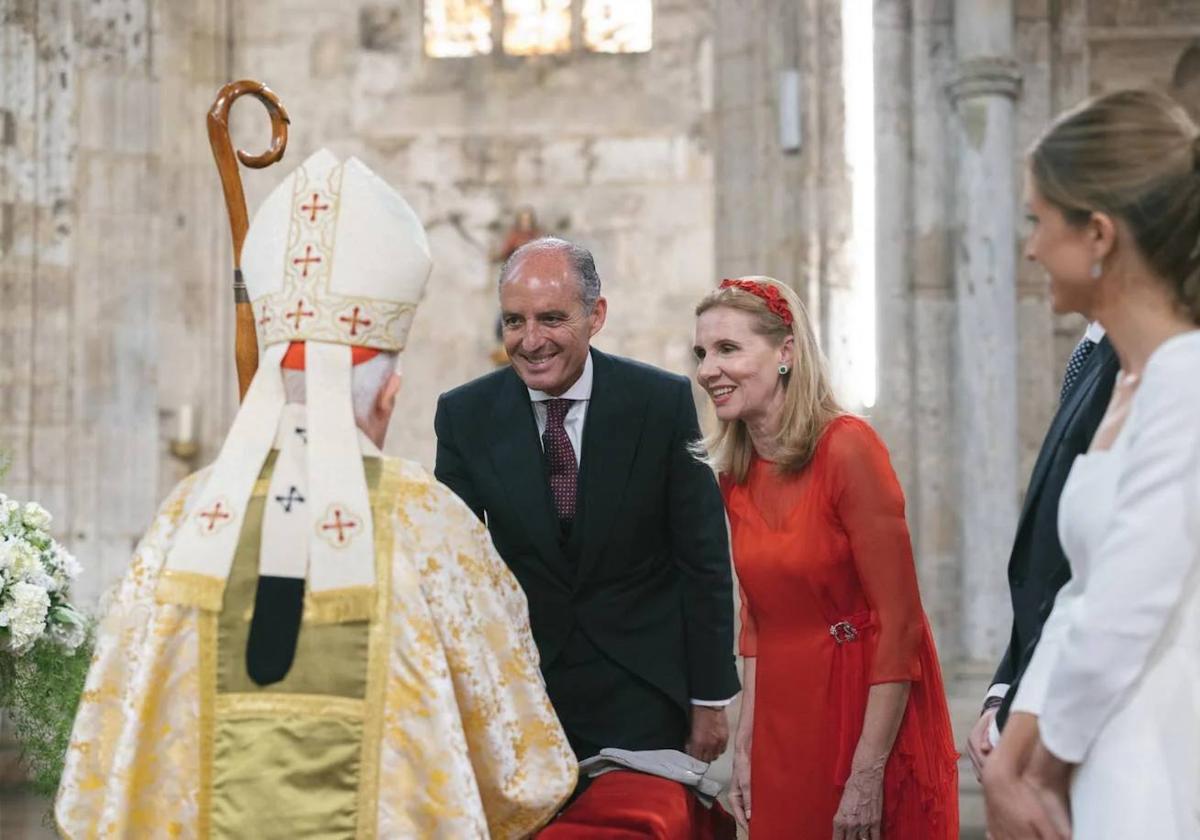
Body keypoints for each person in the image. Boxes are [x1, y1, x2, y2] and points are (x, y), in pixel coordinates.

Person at [55, 150, 576, 838]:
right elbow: (519, 766)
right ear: (389, 397)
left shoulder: (186, 519)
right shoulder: (426, 521)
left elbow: (103, 765)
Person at [434, 237, 740, 836]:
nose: (531, 339)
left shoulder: (660, 402)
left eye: (552, 319)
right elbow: (457, 568)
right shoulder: (464, 414)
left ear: (595, 317)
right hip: (526, 693)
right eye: (515, 321)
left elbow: (702, 557)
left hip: (644, 690)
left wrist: (709, 696)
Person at [982, 89, 1200, 840]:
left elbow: (1126, 603)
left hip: (1155, 742)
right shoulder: (1129, 382)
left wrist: (1041, 768)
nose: (1031, 246)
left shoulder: (1188, 380)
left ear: (1099, 233)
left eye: (1040, 220)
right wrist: (1012, 752)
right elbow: (1077, 593)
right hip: (1091, 733)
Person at [692, 276, 959, 840]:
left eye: (728, 349)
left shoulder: (848, 447)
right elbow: (758, 620)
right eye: (702, 353)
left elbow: (901, 621)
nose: (707, 369)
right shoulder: (737, 475)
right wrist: (745, 746)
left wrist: (867, 771)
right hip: (783, 725)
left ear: (785, 353)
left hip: (862, 712)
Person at [965, 318, 1118, 779]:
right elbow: (1049, 563)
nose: (1032, 249)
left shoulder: (1139, 365)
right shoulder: (1101, 352)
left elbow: (1097, 582)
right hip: (1039, 696)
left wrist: (1020, 733)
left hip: (1091, 728)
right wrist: (1004, 692)